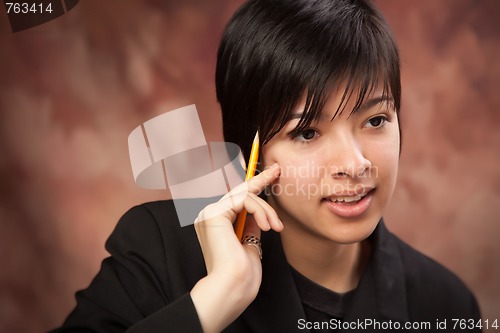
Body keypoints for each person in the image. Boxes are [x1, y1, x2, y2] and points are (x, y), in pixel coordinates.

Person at [51, 0, 481, 332]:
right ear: (250, 149)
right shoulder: (158, 249)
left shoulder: (444, 303)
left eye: (375, 120)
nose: (355, 163)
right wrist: (211, 304)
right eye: (307, 133)